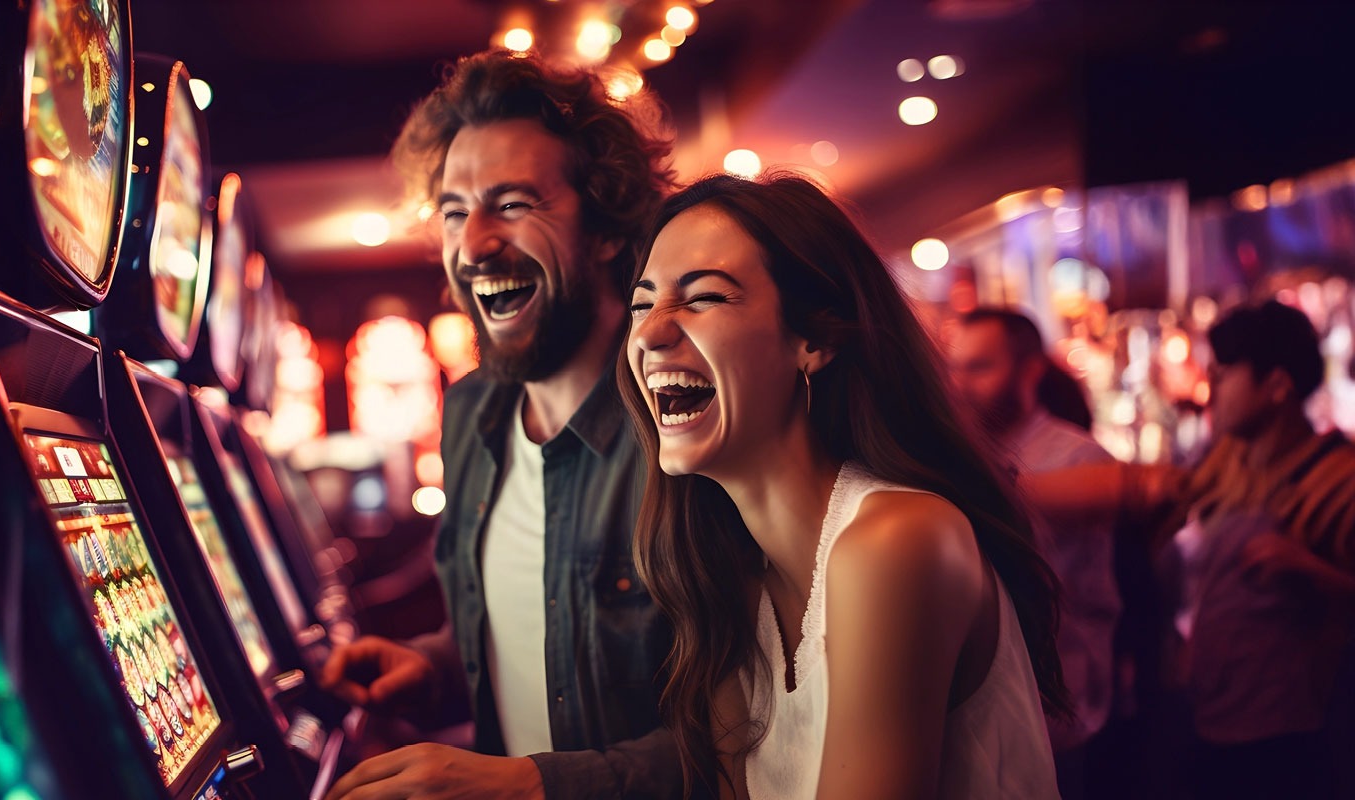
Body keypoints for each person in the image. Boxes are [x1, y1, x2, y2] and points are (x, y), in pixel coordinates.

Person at [620, 173, 1067, 799]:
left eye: (704, 299)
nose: (650, 332)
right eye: (643, 304)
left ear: (816, 340)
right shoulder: (733, 576)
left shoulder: (897, 542)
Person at [321, 50, 681, 799]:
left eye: (513, 204)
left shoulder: (684, 427)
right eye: (455, 212)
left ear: (609, 227)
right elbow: (525, 636)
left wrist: (530, 786)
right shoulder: (471, 413)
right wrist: (434, 668)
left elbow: (764, 733)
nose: (475, 244)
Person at [1161, 301, 1355, 799]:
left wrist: (1309, 568)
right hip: (1209, 714)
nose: (1211, 389)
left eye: (1224, 375)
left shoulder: (1340, 480)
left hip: (1292, 734)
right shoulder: (1227, 462)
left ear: (1277, 386)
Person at [948, 308, 1120, 796]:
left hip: (1059, 700)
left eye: (980, 367)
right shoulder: (968, 455)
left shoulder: (1075, 456)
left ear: (1030, 371)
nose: (961, 383)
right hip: (996, 702)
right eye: (955, 367)